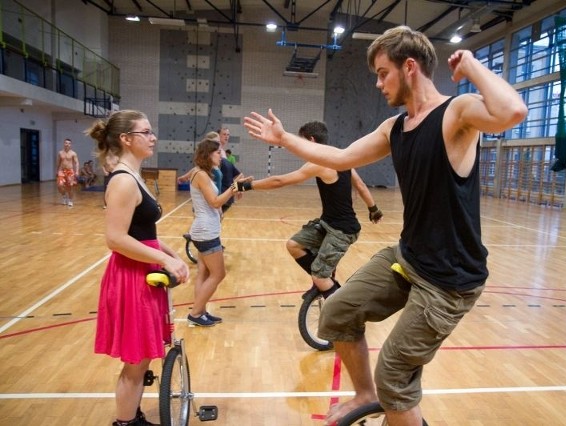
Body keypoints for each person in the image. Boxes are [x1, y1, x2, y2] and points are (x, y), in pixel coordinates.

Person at [244, 26, 527, 426]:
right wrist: (286, 139)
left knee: (394, 377)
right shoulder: (394, 128)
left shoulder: (457, 113)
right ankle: (363, 394)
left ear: (409, 67)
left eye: (382, 73)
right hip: (410, 258)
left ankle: (387, 399)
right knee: (337, 313)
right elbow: (341, 157)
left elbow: (512, 111)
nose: (378, 83)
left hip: (449, 279)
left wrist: (473, 65)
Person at [86, 110, 190, 426]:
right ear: (126, 139)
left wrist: (172, 255)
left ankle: (132, 415)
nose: (152, 137)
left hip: (144, 273)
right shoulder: (122, 181)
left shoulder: (134, 176)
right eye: (145, 132)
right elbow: (115, 239)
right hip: (131, 278)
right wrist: (163, 259)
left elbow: (145, 234)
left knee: (142, 359)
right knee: (135, 364)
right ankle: (125, 422)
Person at [234, 120, 384, 299]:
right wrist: (373, 209)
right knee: (294, 245)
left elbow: (280, 181)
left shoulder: (319, 163)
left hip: (342, 231)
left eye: (301, 142)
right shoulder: (339, 155)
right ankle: (324, 281)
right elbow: (359, 184)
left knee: (320, 276)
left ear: (311, 141)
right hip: (328, 223)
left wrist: (247, 186)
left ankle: (340, 309)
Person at [185, 134, 243, 326]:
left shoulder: (202, 172)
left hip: (205, 229)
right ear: (208, 154)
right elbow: (215, 201)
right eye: (218, 153)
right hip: (206, 232)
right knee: (218, 274)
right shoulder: (200, 175)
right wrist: (234, 188)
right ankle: (195, 313)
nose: (221, 155)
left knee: (204, 273)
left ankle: (200, 311)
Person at [56, 138, 79, 207]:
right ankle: (64, 196)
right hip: (61, 171)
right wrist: (57, 170)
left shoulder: (73, 153)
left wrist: (77, 171)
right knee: (60, 185)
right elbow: (58, 162)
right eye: (66, 143)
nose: (67, 144)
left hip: (70, 171)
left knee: (69, 187)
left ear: (70, 145)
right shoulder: (60, 153)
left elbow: (76, 162)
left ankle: (70, 200)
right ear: (64, 143)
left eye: (69, 143)